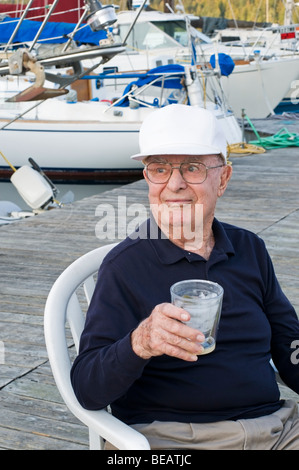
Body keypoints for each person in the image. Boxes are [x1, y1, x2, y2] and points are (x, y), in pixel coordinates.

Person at [71, 104, 299, 450]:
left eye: (192, 168)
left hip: (275, 430)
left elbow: (289, 344)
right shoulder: (125, 266)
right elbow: (87, 387)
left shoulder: (249, 249)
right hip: (168, 439)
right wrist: (140, 343)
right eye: (159, 169)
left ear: (222, 178)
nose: (174, 185)